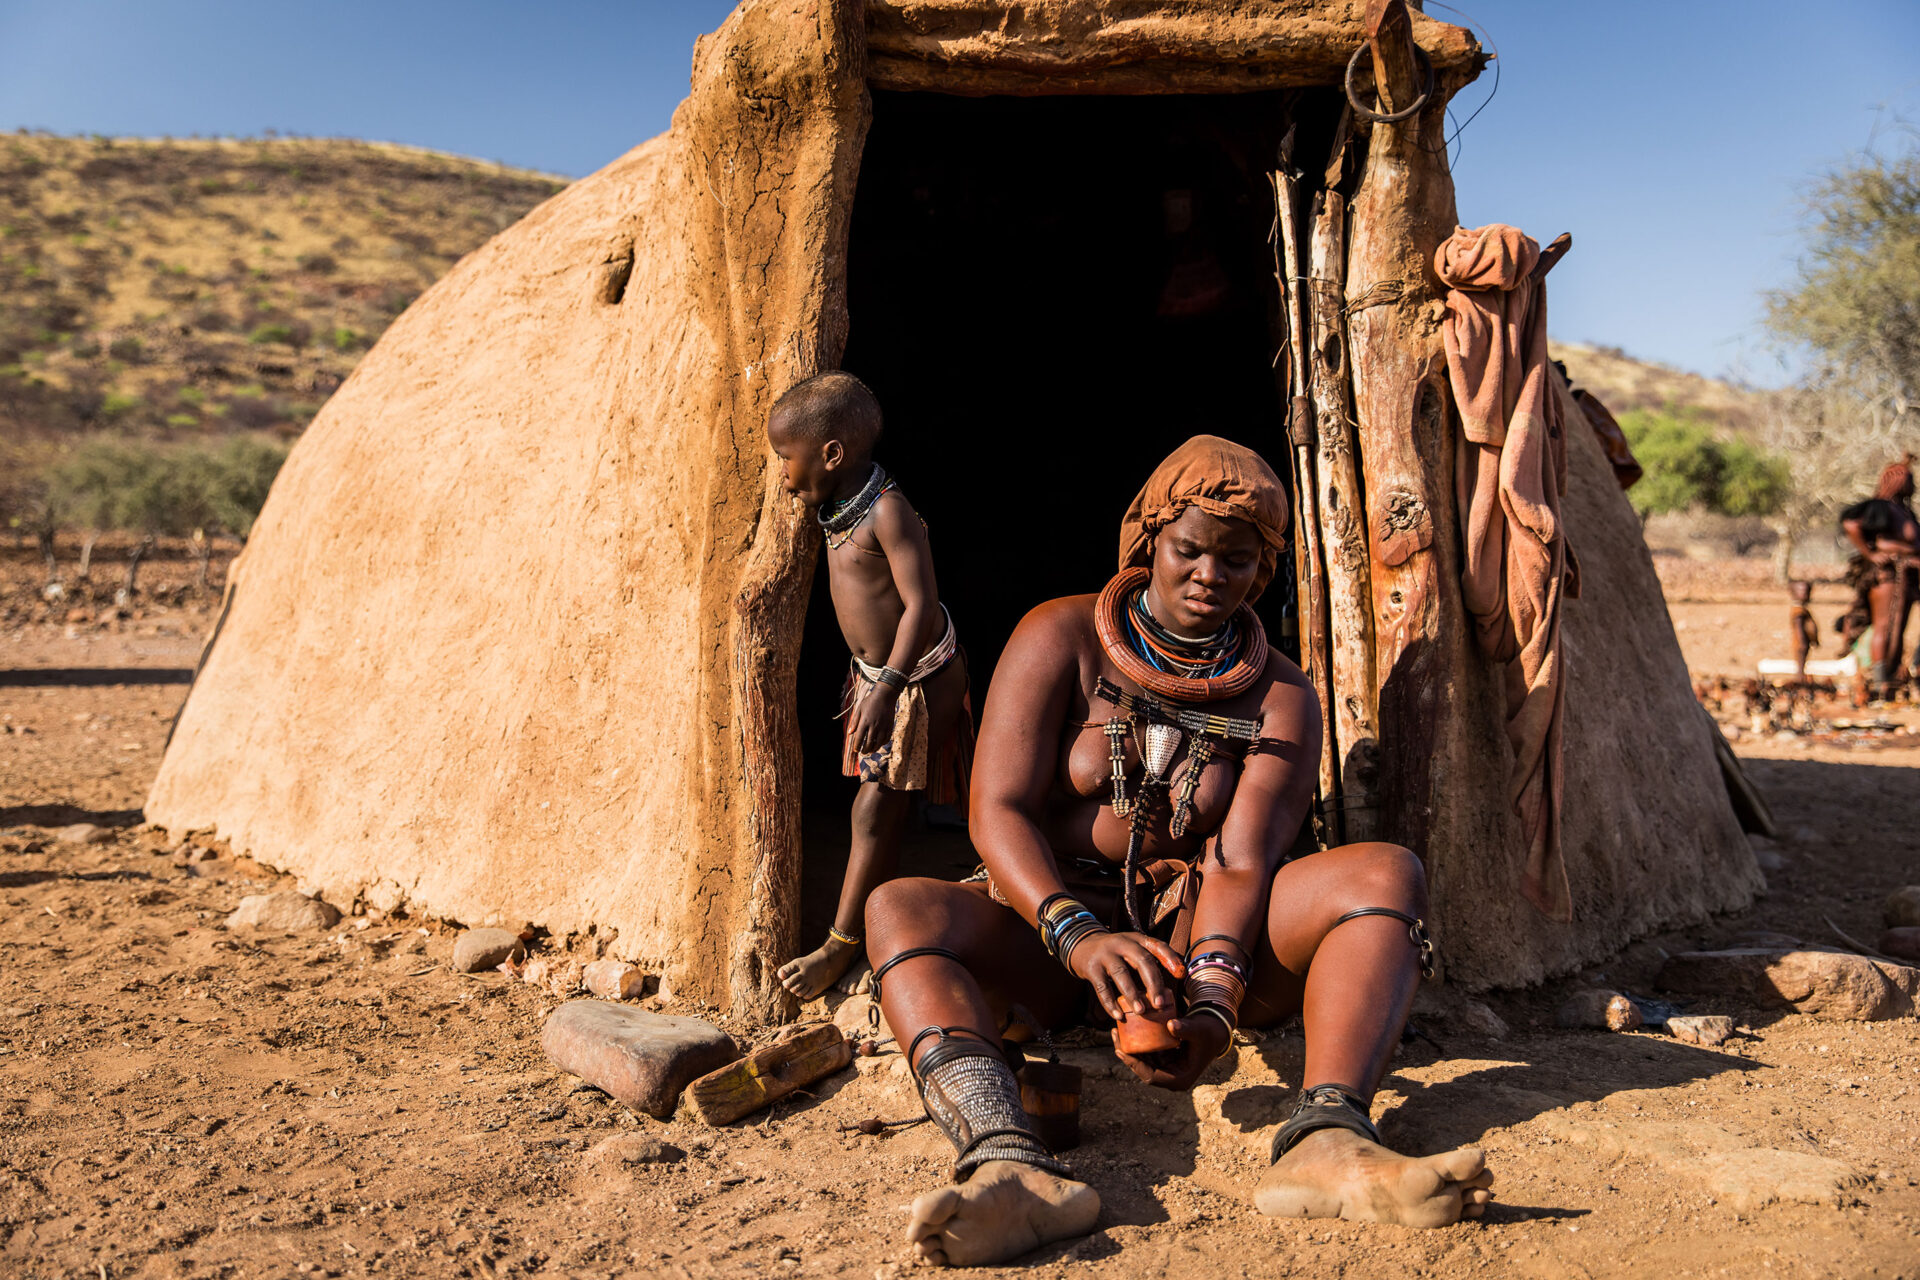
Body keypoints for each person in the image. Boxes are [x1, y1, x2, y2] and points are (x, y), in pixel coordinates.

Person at [863, 437, 1492, 1268]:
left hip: (1197, 940)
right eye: (1189, 549)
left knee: (1385, 873)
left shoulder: (1281, 695)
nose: (1209, 575)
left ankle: (1328, 1138)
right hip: (1049, 936)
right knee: (899, 908)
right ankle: (1007, 1160)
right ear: (1149, 540)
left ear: (1263, 571)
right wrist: (1080, 938)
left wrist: (1210, 1007)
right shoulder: (1061, 636)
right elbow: (997, 812)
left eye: (1237, 560)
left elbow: (1241, 859)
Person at [765, 372, 974, 1001]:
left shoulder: (887, 511)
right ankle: (875, 919)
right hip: (878, 679)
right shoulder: (837, 508)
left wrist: (887, 688)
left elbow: (921, 605)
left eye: (787, 459)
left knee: (873, 807)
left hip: (916, 677)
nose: (783, 477)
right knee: (881, 805)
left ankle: (842, 944)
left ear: (831, 454)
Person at [1836, 457, 1919, 701]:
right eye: (1910, 479)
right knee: (1885, 625)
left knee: (1898, 627)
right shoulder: (1880, 507)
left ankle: (1891, 680)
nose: (1914, 484)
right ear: (1897, 481)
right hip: (1888, 577)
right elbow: (1851, 523)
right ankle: (1880, 681)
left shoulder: (1903, 511)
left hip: (1907, 576)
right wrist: (1870, 553)